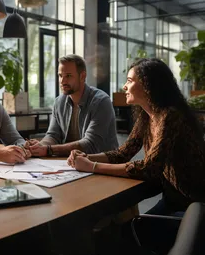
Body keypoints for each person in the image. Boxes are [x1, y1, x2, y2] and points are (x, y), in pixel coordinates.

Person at [68, 58, 205, 214]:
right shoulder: (146, 117)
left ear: (148, 85)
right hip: (173, 198)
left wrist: (92, 167)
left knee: (136, 229)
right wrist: (87, 157)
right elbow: (123, 153)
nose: (124, 86)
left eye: (129, 81)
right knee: (132, 226)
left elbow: (148, 167)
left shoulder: (171, 116)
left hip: (194, 205)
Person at [28, 54, 118, 157]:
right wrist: (39, 146)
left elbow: (90, 144)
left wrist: (48, 150)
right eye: (60, 75)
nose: (62, 81)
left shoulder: (101, 102)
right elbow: (53, 135)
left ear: (82, 76)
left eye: (68, 76)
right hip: (71, 164)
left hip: (101, 164)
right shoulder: (59, 102)